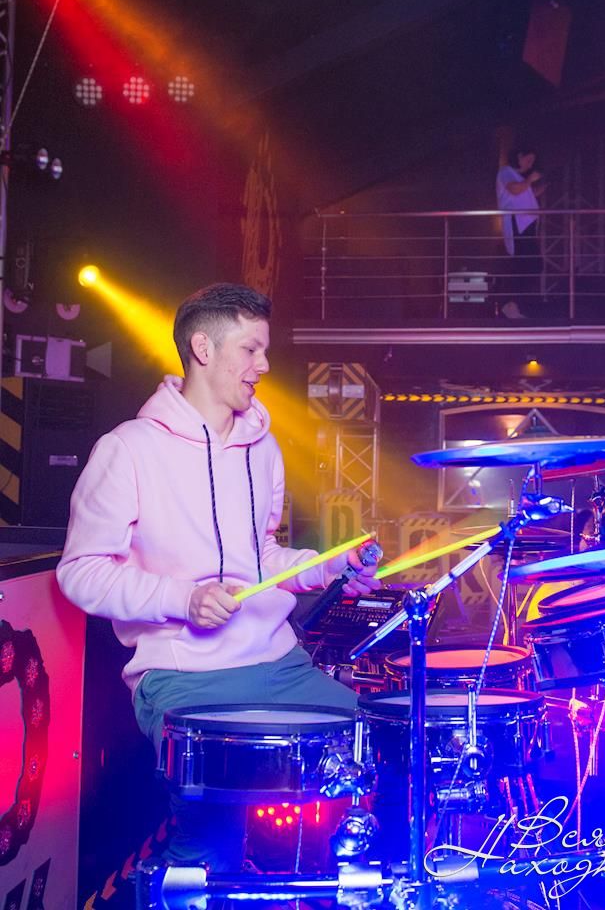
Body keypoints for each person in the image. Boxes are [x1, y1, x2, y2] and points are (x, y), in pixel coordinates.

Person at [56, 282, 381, 871]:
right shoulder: (128, 449)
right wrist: (183, 598)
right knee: (210, 843)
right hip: (185, 678)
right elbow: (80, 571)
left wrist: (328, 567)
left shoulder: (264, 448)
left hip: (279, 665)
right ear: (203, 349)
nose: (264, 365)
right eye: (251, 349)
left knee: (384, 747)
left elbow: (261, 556)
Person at [495, 147, 544, 319]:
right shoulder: (506, 171)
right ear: (519, 156)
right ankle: (511, 305)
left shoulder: (519, 177)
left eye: (532, 161)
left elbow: (523, 193)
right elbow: (514, 189)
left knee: (532, 264)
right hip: (518, 223)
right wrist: (530, 180)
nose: (530, 164)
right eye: (528, 159)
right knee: (526, 264)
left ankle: (517, 304)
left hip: (526, 224)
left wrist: (538, 187)